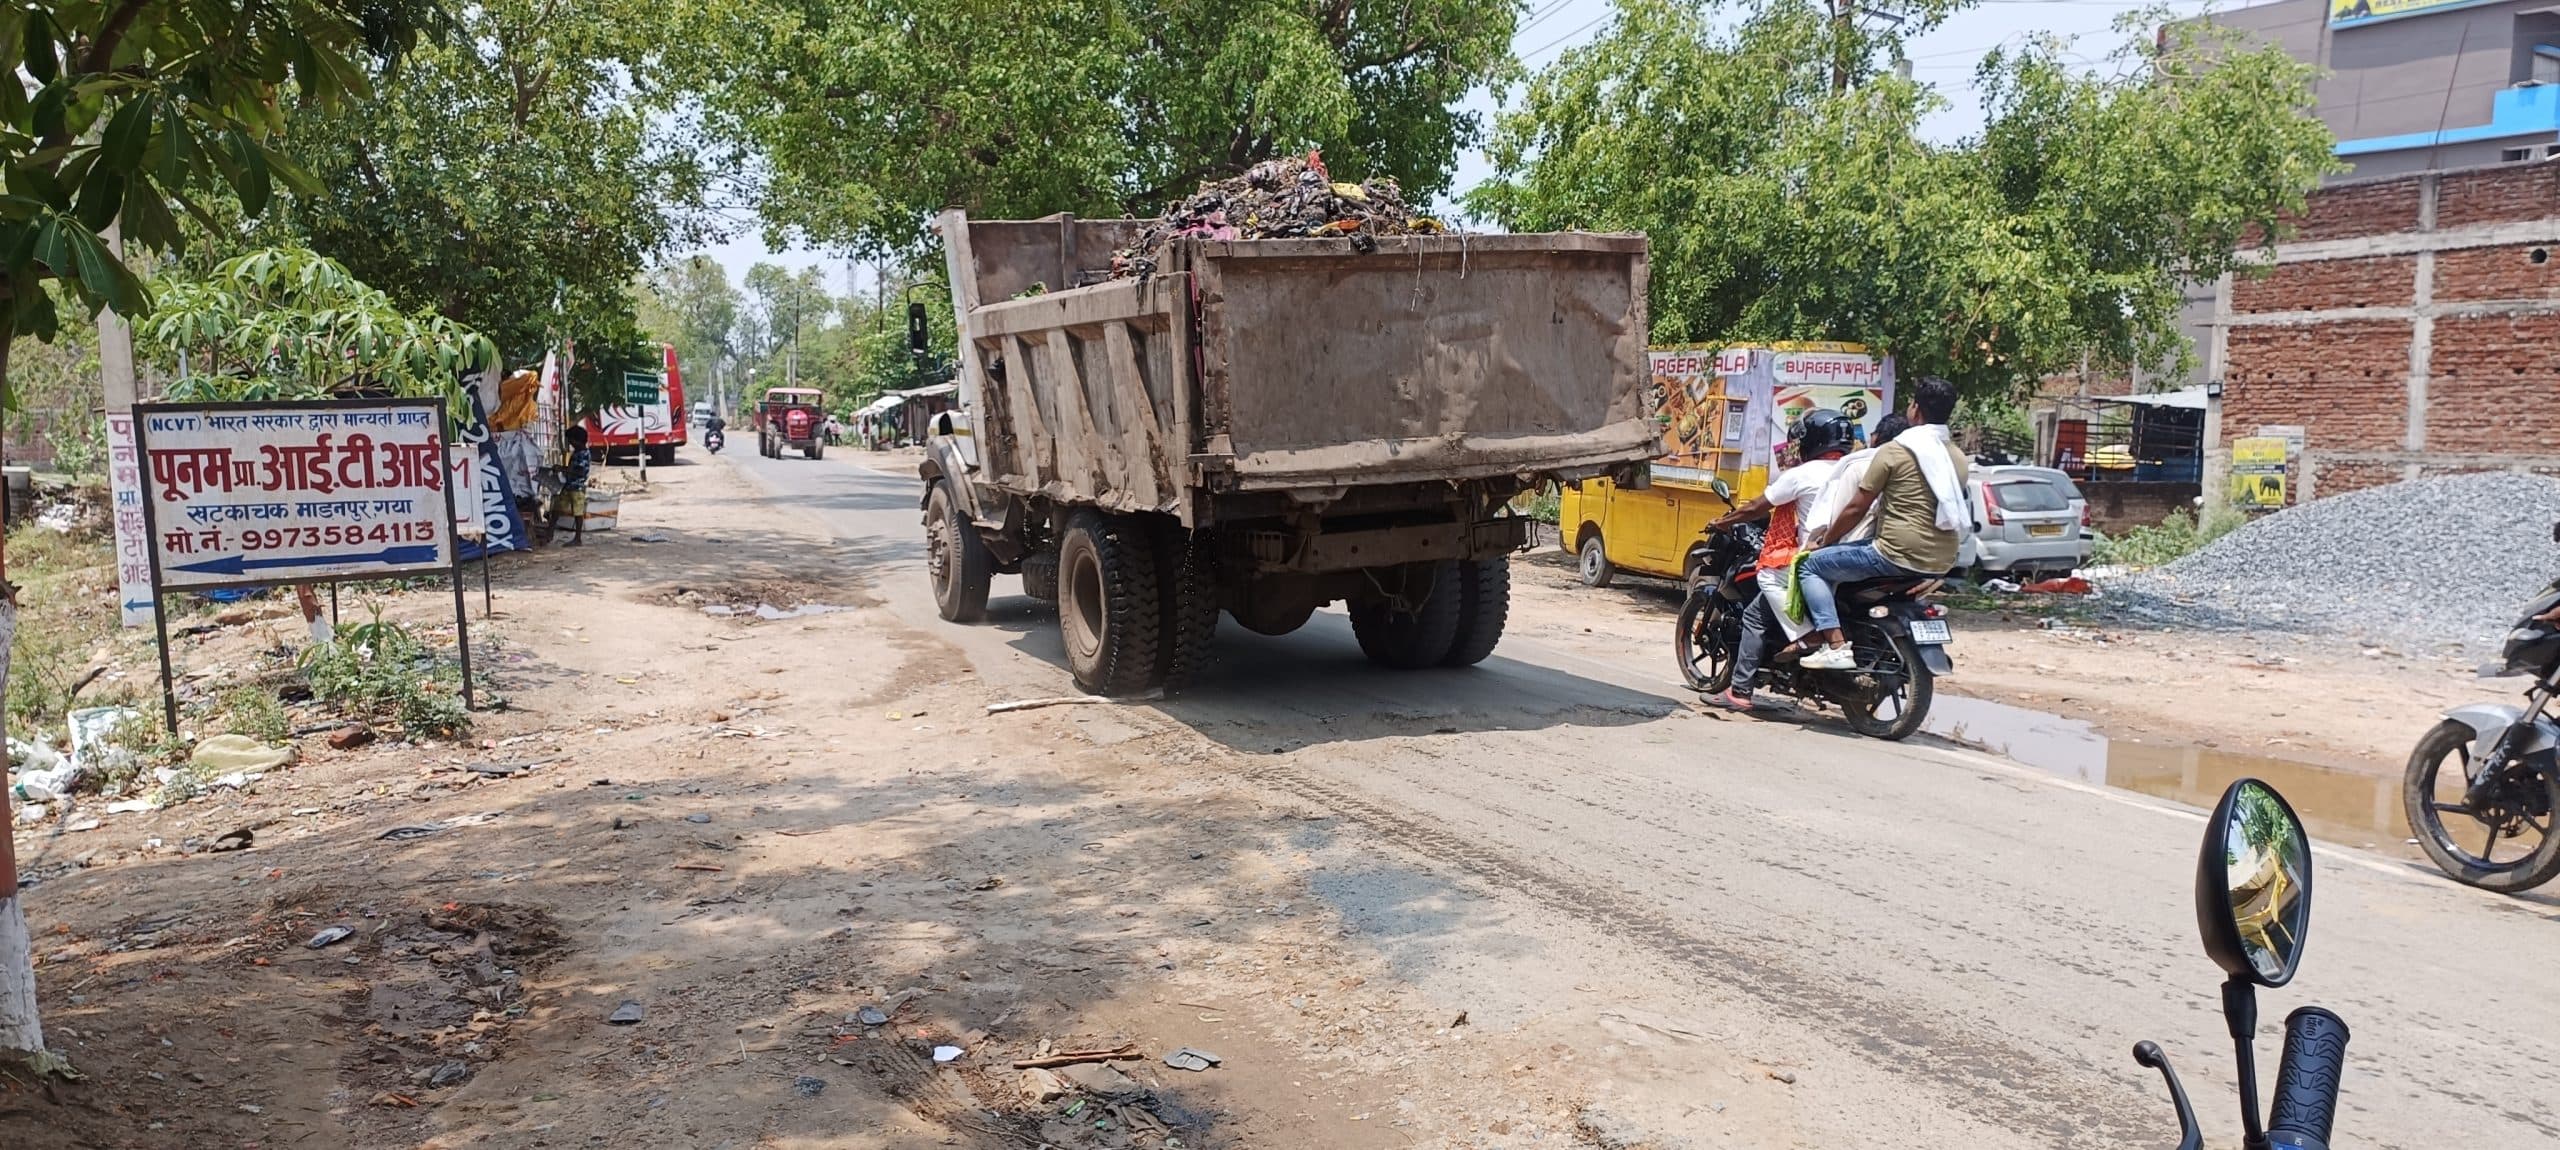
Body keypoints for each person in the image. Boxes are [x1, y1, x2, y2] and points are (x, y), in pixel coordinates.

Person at [1795, 377, 1971, 670]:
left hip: (1894, 554)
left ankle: (1835, 645)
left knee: (1810, 565)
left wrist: (1824, 542)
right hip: (1942, 560)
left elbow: (1856, 507)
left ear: (1915, 410)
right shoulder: (1957, 457)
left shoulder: (1894, 451)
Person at [1703, 409, 1857, 711]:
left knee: (1760, 599)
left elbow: (1757, 508)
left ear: (1813, 440)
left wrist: (1723, 522)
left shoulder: (1803, 473)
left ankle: (1743, 690)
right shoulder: (1852, 470)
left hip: (1810, 558)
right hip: (1850, 556)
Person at [1803, 412, 1912, 550]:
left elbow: (1842, 514)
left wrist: (1821, 542)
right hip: (1903, 550)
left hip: (1856, 548)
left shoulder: (1857, 466)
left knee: (1807, 566)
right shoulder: (1912, 467)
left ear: (1876, 437)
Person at [556, 425, 593, 548]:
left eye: (571, 440)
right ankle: (549, 533)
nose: (570, 443)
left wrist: (563, 469)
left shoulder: (583, 454)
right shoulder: (578, 452)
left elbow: (580, 472)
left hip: (577, 487)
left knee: (577, 513)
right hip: (570, 485)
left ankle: (578, 538)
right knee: (556, 508)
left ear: (576, 440)